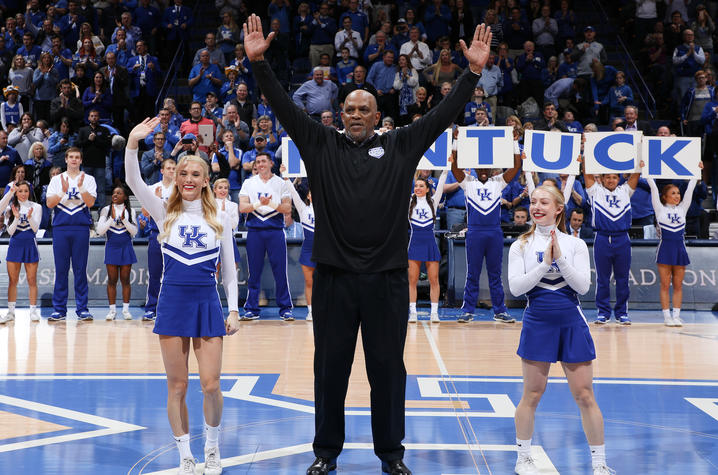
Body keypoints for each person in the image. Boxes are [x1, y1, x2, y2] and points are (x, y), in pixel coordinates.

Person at [243, 14, 492, 475]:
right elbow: (282, 106)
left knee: (388, 372)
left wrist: (472, 73)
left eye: (364, 110)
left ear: (377, 117)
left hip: (387, 281)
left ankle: (391, 456)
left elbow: (441, 116)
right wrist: (258, 64)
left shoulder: (401, 145)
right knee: (328, 372)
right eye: (350, 110)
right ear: (341, 114)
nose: (356, 115)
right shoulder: (320, 143)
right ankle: (325, 453)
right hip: (335, 279)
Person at [125, 117, 239, 475]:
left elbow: (231, 269)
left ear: (206, 180)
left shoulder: (220, 216)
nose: (188, 179)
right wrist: (132, 142)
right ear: (175, 177)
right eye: (183, 173)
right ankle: (185, 455)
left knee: (211, 384)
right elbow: (132, 180)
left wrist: (233, 310)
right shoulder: (164, 212)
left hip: (207, 302)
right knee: (177, 385)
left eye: (195, 174)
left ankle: (212, 448)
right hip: (172, 302)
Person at [507, 184, 614, 475]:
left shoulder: (576, 244)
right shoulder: (521, 245)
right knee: (532, 393)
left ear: (558, 209)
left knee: (584, 395)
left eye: (544, 202)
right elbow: (516, 289)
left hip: (571, 322)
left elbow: (582, 286)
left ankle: (599, 463)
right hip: (537, 321)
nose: (537, 206)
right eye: (533, 201)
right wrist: (545, 264)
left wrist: (560, 260)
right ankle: (523, 459)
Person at [451, 139, 521, 324]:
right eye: (480, 168)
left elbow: (515, 166)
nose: (483, 171)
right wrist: (457, 141)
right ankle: (467, 311)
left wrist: (514, 142)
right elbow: (454, 167)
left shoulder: (498, 181)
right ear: (474, 168)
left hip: (494, 232)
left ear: (492, 169)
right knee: (472, 273)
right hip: (474, 232)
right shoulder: (468, 182)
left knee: (495, 274)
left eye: (486, 168)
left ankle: (500, 311)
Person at [645, 160, 702, 326]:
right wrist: (646, 171)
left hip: (679, 249)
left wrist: (696, 172)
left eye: (678, 193)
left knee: (678, 285)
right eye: (674, 193)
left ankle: (676, 315)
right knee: (664, 284)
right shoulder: (660, 209)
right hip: (665, 249)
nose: (677, 196)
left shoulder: (683, 208)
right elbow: (654, 188)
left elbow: (691, 189)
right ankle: (666, 317)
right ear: (665, 197)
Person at [238, 152, 294, 320]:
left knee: (280, 271)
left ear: (271, 163)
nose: (260, 164)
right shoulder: (249, 182)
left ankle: (285, 309)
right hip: (255, 231)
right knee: (253, 272)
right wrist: (258, 203)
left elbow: (287, 209)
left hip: (275, 231)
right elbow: (242, 207)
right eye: (258, 162)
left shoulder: (281, 183)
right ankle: (252, 309)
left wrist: (270, 203)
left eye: (263, 161)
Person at [584, 165, 640, 325]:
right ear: (601, 179)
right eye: (607, 177)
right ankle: (603, 313)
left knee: (623, 278)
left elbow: (635, 175)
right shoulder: (595, 191)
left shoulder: (625, 191)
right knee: (602, 279)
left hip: (622, 238)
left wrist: (639, 159)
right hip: (602, 238)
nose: (611, 180)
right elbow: (586, 174)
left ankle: (622, 313)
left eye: (614, 177)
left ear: (619, 178)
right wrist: (586, 158)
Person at [45, 147, 97, 321]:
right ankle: (59, 309)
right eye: (71, 157)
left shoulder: (88, 179)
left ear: (81, 160)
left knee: (80, 270)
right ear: (65, 159)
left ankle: (82, 309)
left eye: (77, 157)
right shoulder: (56, 179)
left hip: (81, 227)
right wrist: (62, 190)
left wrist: (81, 187)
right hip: (61, 228)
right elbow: (50, 204)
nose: (74, 160)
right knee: (61, 270)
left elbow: (90, 203)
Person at [408, 168, 448, 323]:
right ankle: (412, 312)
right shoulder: (409, 201)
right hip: (415, 243)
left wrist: (446, 168)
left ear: (427, 189)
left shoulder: (433, 201)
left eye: (421, 186)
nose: (417, 188)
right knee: (412, 280)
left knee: (434, 279)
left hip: (430, 243)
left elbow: (442, 182)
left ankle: (434, 312)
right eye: (416, 185)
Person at [0, 181, 42, 323]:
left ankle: (33, 312)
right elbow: (10, 231)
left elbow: (35, 229)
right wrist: (17, 218)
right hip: (15, 244)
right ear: (16, 193)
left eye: (26, 191)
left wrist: (29, 217)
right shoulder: (10, 208)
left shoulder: (36, 207)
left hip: (30, 244)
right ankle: (11, 313)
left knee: (31, 280)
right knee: (13, 281)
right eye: (20, 191)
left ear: (29, 192)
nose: (23, 194)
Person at [96, 184, 137, 321]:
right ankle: (112, 311)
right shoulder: (106, 210)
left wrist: (124, 219)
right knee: (112, 280)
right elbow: (100, 231)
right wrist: (112, 219)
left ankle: (126, 310)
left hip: (126, 247)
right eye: (114, 193)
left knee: (125, 279)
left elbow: (134, 232)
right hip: (112, 247)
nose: (115, 195)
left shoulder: (131, 211)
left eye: (119, 193)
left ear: (125, 197)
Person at [142, 158, 176, 321]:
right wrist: (154, 200)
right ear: (162, 171)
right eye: (168, 168)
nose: (171, 170)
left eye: (174, 168)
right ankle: (151, 308)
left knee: (173, 273)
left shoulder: (180, 188)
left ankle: (171, 307)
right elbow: (145, 213)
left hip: (175, 232)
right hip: (156, 232)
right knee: (155, 272)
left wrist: (162, 203)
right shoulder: (152, 188)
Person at [282, 169, 316, 321]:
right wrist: (287, 178)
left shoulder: (329, 210)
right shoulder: (304, 210)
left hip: (325, 250)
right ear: (308, 195)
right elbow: (294, 196)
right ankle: (311, 311)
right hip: (308, 250)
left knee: (327, 283)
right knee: (309, 282)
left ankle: (327, 310)